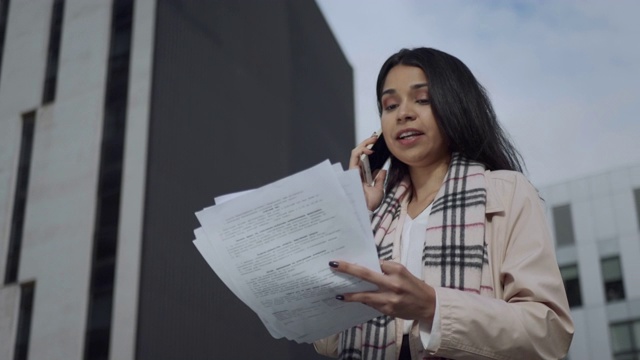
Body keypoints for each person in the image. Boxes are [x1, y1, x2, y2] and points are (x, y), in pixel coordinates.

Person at [314, 48, 574, 359]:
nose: (403, 113)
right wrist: (355, 212)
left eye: (422, 99)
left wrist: (433, 307)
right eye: (390, 105)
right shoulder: (375, 217)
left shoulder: (506, 193)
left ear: (456, 106)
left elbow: (550, 333)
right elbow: (327, 343)